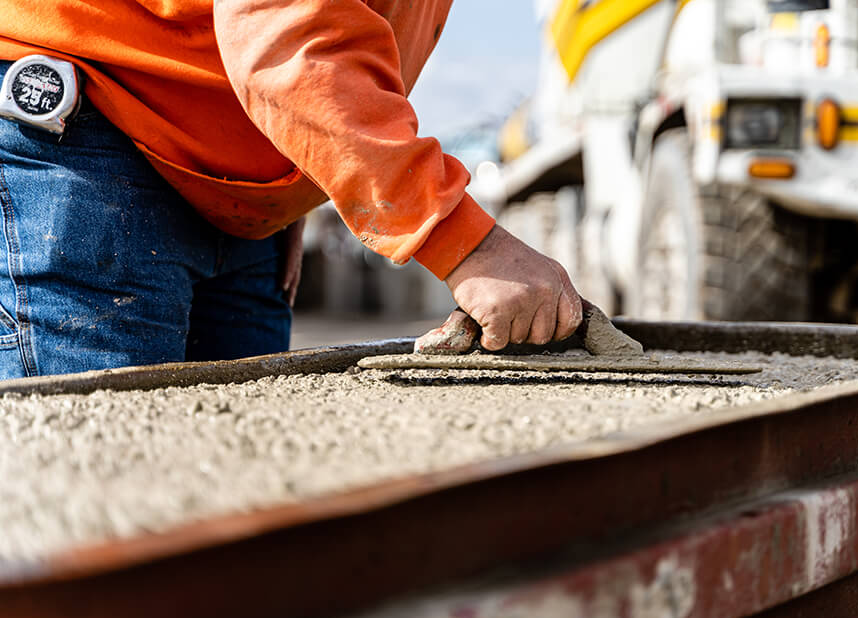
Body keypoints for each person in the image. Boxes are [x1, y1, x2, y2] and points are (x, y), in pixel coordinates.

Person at [0, 0, 582, 380]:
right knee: (105, 497)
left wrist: (297, 175)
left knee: (240, 491)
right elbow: (285, 32)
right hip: (91, 136)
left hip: (238, 192)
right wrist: (470, 248)